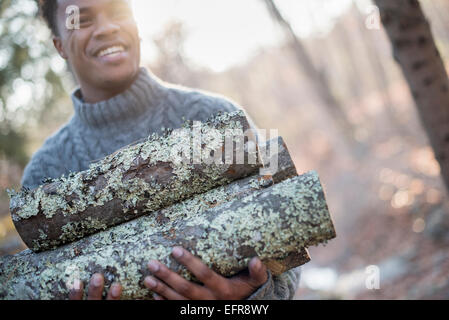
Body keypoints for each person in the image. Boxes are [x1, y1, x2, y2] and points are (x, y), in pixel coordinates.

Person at [21, 0, 301, 300]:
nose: (107, 28)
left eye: (117, 12)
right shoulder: (43, 176)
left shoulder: (218, 115)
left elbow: (292, 254)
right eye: (83, 19)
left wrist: (250, 298)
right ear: (60, 45)